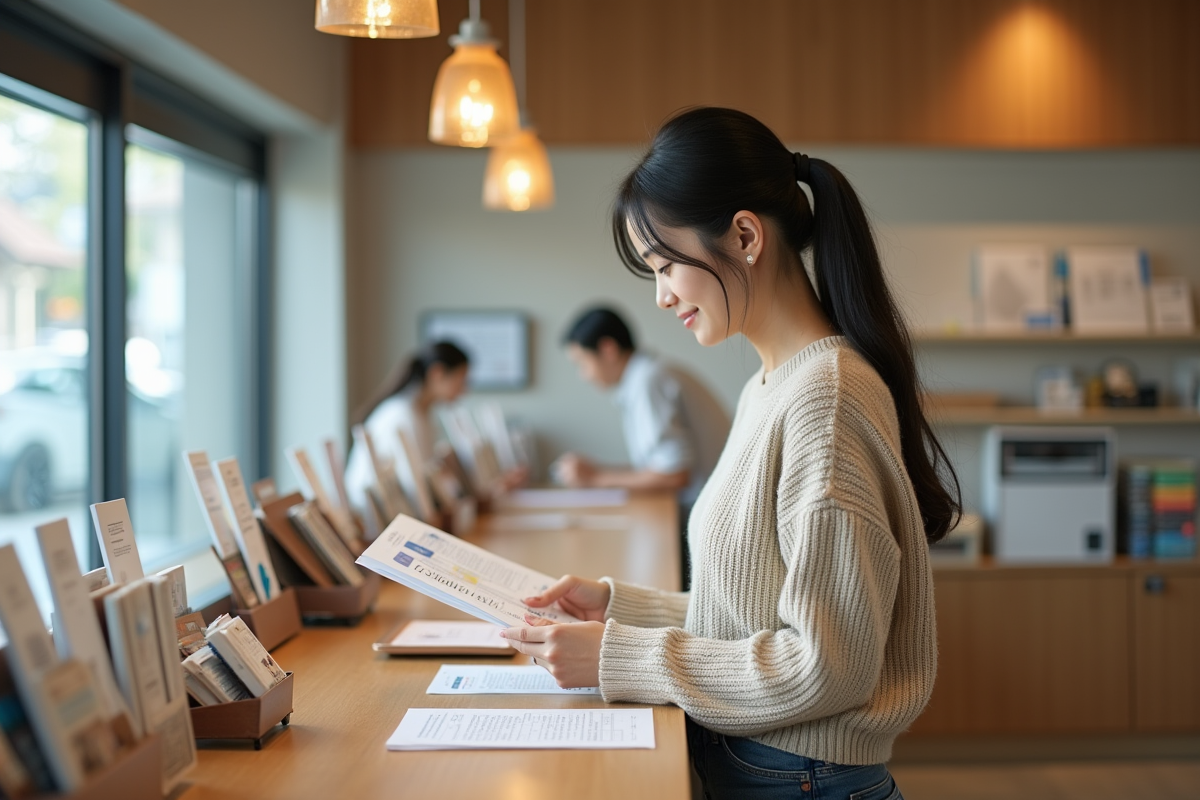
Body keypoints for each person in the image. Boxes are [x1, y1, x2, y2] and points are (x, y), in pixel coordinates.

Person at [500, 108, 960, 800]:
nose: (659, 296)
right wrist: (615, 608)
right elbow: (752, 616)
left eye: (664, 265)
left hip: (799, 779)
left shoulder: (824, 400)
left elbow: (824, 667)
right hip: (771, 769)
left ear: (745, 236)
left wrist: (621, 656)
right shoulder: (769, 387)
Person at [343, 341, 473, 519]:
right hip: (372, 519)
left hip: (391, 513)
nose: (464, 389)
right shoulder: (403, 415)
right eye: (461, 379)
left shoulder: (420, 413)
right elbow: (413, 483)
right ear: (437, 373)